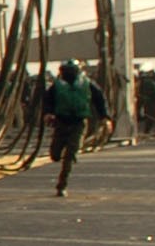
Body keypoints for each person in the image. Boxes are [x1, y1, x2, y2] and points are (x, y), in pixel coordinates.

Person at [42, 59, 110, 196]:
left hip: (78, 122)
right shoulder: (57, 86)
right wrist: (48, 113)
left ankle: (62, 185)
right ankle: (63, 159)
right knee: (55, 155)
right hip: (61, 122)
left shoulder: (86, 84)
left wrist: (105, 117)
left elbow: (99, 99)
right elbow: (47, 101)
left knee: (70, 154)